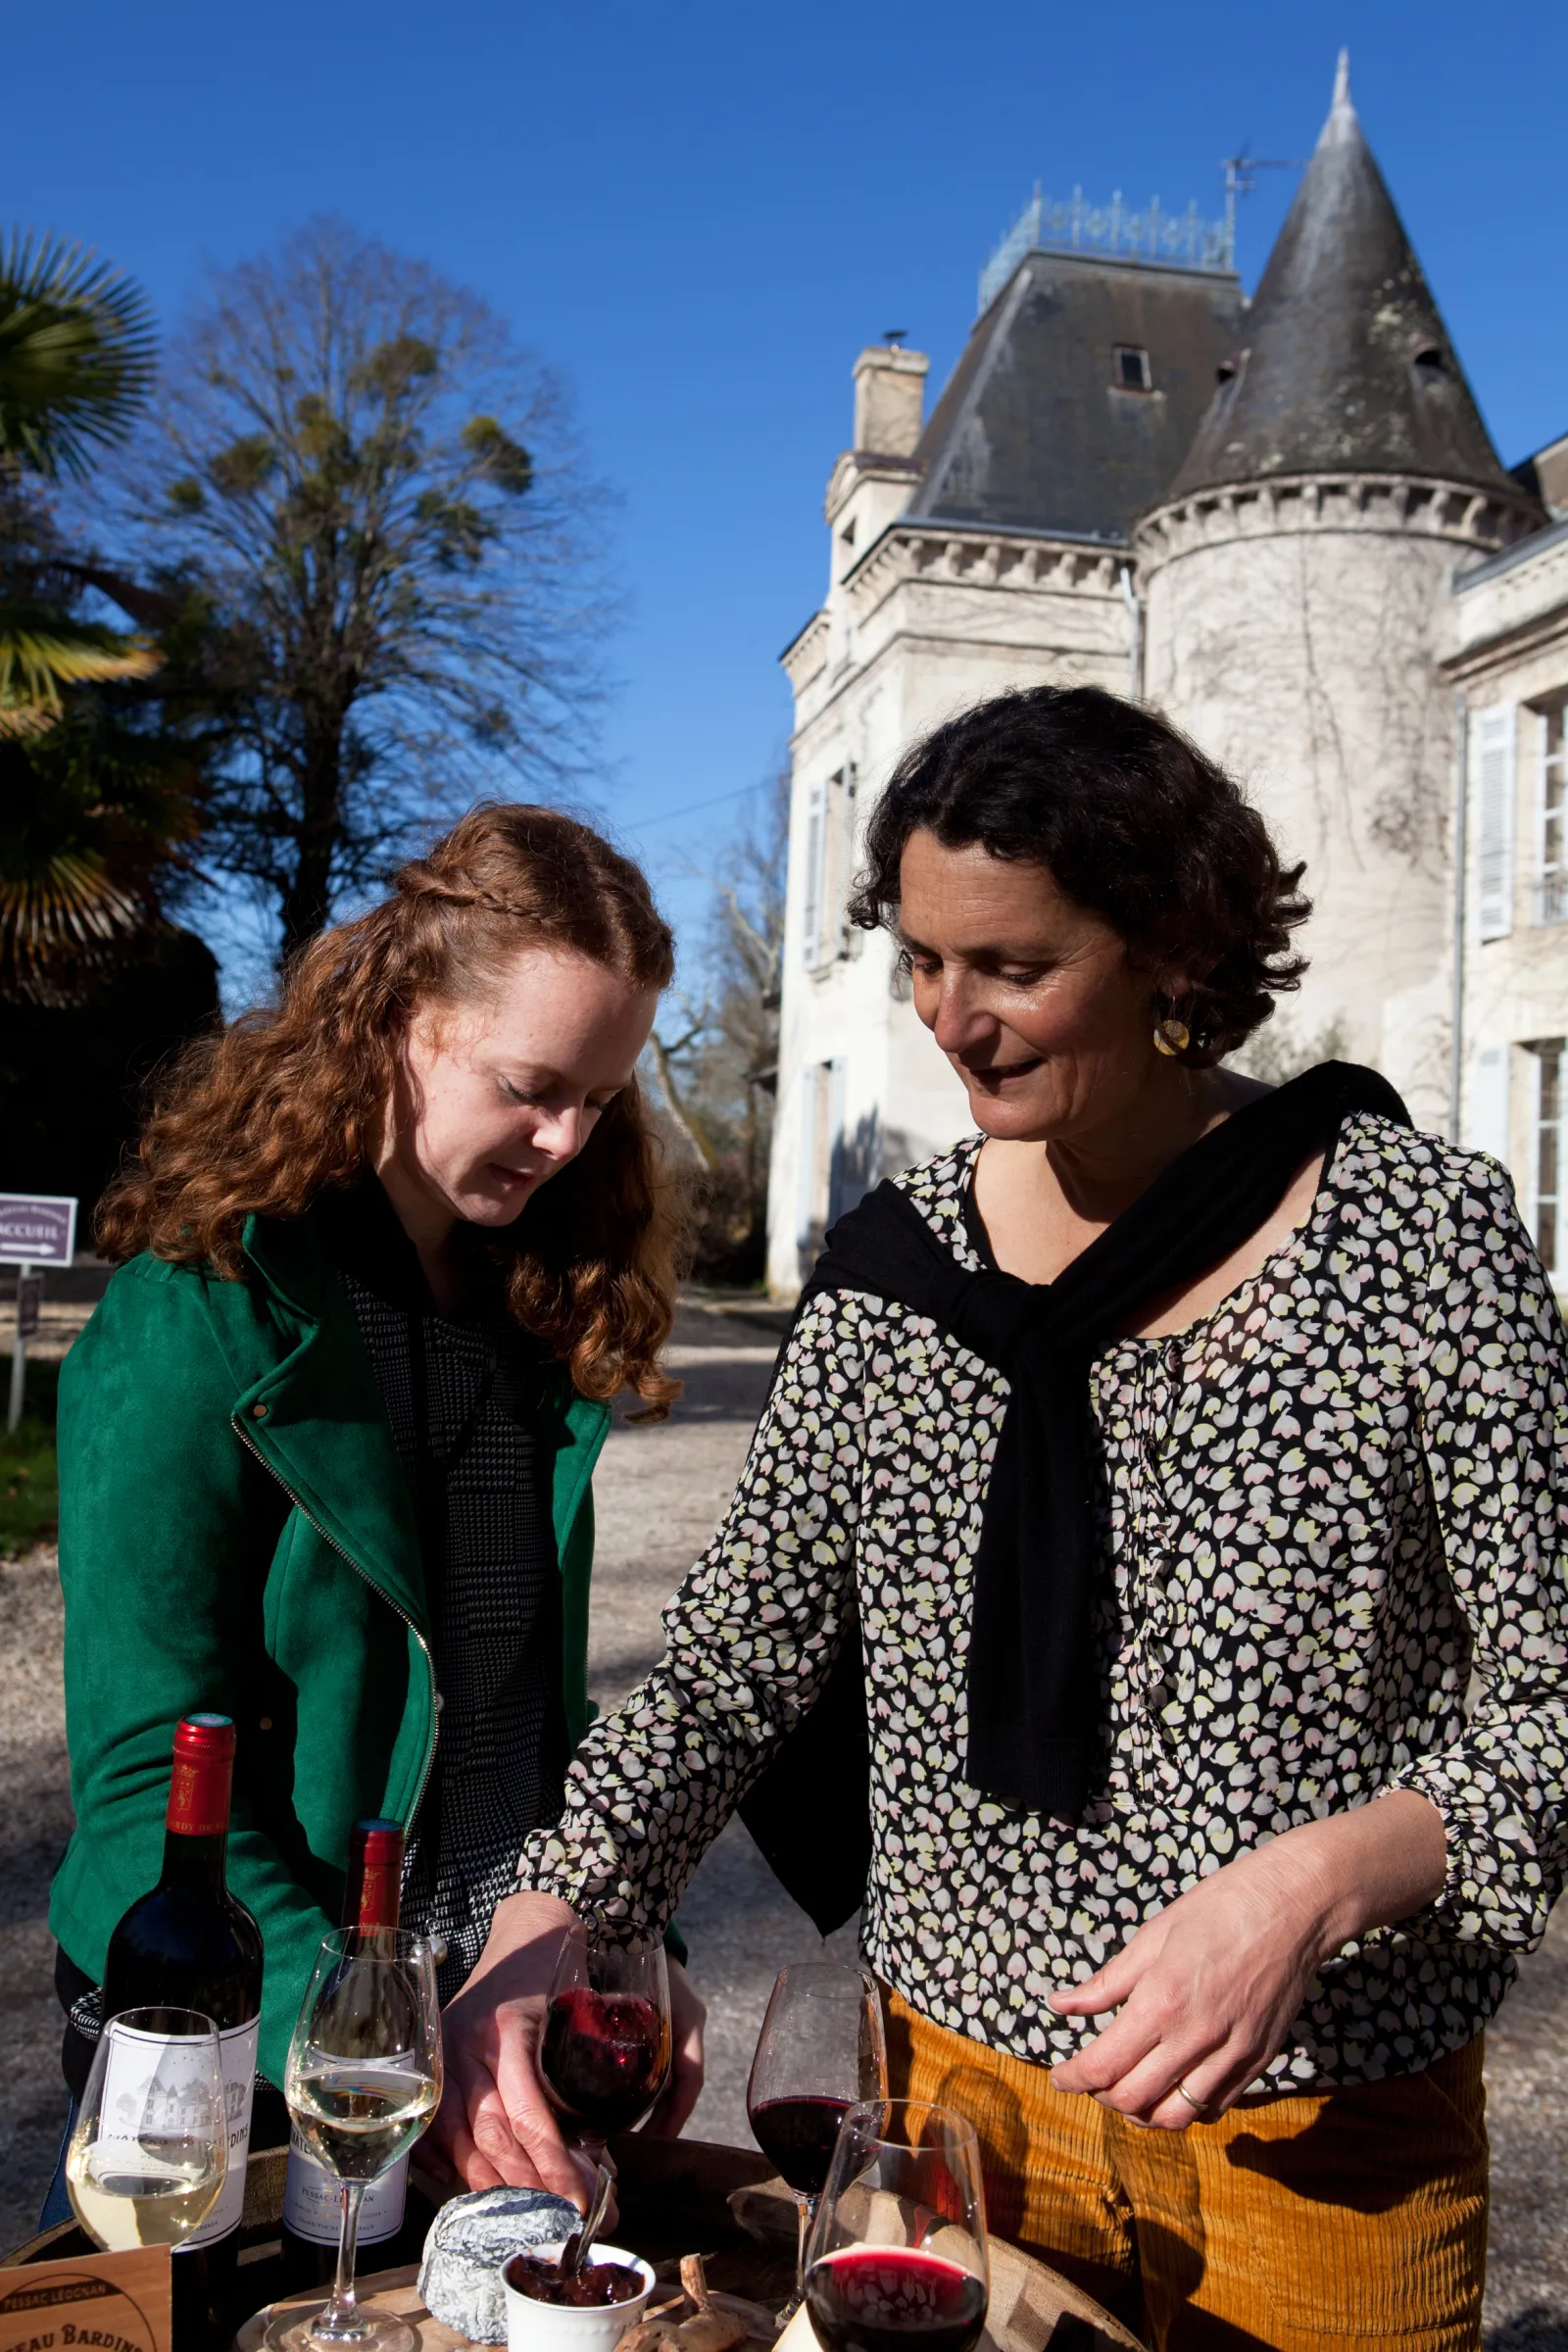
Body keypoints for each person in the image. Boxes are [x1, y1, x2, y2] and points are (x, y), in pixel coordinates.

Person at [433, 691, 1568, 2350]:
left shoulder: (1419, 1243)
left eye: (1013, 968)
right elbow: (731, 1665)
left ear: (1175, 947)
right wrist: (554, 1911)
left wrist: (1312, 1888)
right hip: (948, 2129)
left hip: (1322, 2149)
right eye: (921, 960)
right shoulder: (901, 1279)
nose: (950, 1020)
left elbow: (1547, 1706)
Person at [46, 804, 705, 2214]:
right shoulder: (200, 1315)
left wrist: (616, 1956)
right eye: (534, 1085)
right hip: (254, 2030)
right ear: (404, 1016)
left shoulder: (542, 1317)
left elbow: (534, 1713)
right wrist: (370, 2040)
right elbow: (135, 1790)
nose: (567, 1138)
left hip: (487, 2025)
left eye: (602, 1097)